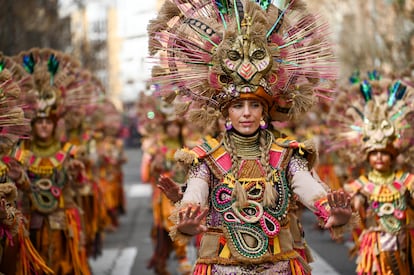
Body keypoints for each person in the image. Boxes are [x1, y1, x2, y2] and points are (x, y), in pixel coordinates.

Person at [148, 1, 356, 273]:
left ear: (265, 110)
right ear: (226, 112)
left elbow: (308, 186)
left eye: (255, 105)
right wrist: (187, 214)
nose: (246, 113)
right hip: (224, 267)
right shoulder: (208, 157)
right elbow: (197, 194)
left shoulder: (286, 154)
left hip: (280, 265)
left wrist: (331, 211)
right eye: (237, 106)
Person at [14, 48, 92, 275]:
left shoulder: (69, 151)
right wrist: (18, 180)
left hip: (62, 222)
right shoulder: (21, 153)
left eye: (48, 121)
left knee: (64, 267)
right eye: (39, 122)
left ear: (56, 122)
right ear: (32, 125)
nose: (44, 126)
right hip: (31, 223)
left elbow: (79, 185)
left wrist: (78, 172)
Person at [327, 71, 414, 274]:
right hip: (373, 246)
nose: (379, 158)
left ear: (392, 155)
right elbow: (348, 216)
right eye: (374, 153)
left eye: (384, 153)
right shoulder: (360, 184)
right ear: (367, 156)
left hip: (404, 244)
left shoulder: (407, 180)